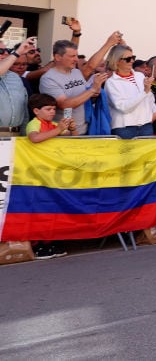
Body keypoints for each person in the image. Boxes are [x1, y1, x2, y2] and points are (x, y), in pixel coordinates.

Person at [39, 32, 122, 135]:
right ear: (57, 57)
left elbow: (91, 66)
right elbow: (65, 104)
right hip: (63, 134)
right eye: (72, 56)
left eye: (76, 55)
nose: (76, 59)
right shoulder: (48, 78)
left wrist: (109, 44)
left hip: (85, 129)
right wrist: (92, 90)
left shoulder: (76, 72)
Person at [23, 93, 73, 259]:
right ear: (36, 111)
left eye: (54, 109)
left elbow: (69, 136)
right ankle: (39, 244)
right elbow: (34, 138)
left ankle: (51, 241)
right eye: (48, 109)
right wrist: (59, 130)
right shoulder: (34, 123)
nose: (52, 112)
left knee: (52, 208)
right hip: (36, 172)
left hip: (52, 173)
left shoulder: (52, 123)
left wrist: (70, 129)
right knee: (39, 209)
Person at [104, 44, 156, 138]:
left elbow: (149, 99)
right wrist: (144, 92)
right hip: (125, 128)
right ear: (117, 61)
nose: (132, 61)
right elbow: (123, 107)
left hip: (146, 125)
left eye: (133, 57)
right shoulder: (111, 82)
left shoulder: (139, 76)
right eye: (128, 59)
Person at [0, 37, 31, 133]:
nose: (6, 53)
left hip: (15, 134)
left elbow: (24, 109)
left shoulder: (15, 77)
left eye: (7, 50)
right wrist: (18, 52)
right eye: (1, 50)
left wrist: (24, 134)